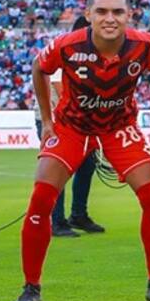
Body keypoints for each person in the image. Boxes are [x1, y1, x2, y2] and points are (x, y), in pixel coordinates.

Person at [9, 0, 150, 301]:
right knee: (41, 198)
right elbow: (39, 68)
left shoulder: (145, 46)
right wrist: (46, 121)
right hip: (72, 128)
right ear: (88, 14)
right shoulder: (67, 46)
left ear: (130, 14)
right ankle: (31, 288)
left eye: (117, 11)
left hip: (119, 128)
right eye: (101, 11)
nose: (109, 18)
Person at [45, 16, 105, 237]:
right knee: (58, 168)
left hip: (80, 121)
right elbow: (63, 91)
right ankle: (56, 221)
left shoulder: (90, 55)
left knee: (88, 166)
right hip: (56, 119)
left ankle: (78, 214)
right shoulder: (67, 48)